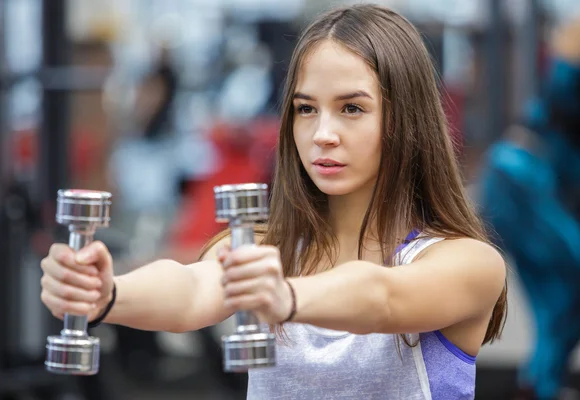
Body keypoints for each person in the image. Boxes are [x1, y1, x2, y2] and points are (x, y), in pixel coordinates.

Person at [39, 4, 507, 399]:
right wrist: (108, 294)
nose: (322, 134)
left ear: (408, 121)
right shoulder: (270, 251)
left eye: (352, 108)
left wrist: (283, 295)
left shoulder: (468, 263)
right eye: (306, 109)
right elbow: (191, 288)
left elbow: (382, 297)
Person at [478, 16, 580, 400]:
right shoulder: (567, 73)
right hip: (520, 180)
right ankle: (541, 384)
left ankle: (542, 383)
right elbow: (562, 93)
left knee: (565, 296)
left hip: (530, 180)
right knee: (568, 282)